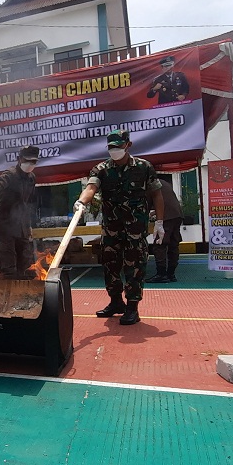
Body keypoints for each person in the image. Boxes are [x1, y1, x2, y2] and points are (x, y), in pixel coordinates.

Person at [74, 130, 164, 325]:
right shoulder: (102, 169)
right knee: (110, 265)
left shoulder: (144, 167)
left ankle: (132, 308)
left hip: (135, 229)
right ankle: (116, 302)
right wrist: (81, 202)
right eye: (111, 147)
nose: (114, 150)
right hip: (111, 228)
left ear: (128, 145)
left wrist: (159, 222)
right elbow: (91, 188)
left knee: (135, 266)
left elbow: (157, 194)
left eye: (118, 146)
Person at [0, 145, 39, 278]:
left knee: (26, 265)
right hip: (4, 227)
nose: (29, 164)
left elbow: (27, 203)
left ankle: (25, 290)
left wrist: (28, 226)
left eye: (33, 161)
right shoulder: (11, 174)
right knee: (8, 266)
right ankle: (8, 290)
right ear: (19, 159)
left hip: (22, 228)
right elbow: (0, 182)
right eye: (26, 160)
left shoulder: (31, 178)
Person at [145, 180, 183, 284]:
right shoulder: (164, 183)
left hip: (166, 216)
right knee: (173, 244)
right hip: (177, 214)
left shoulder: (149, 184)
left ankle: (161, 274)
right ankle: (171, 274)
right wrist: (153, 213)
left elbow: (146, 203)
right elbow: (166, 201)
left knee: (159, 244)